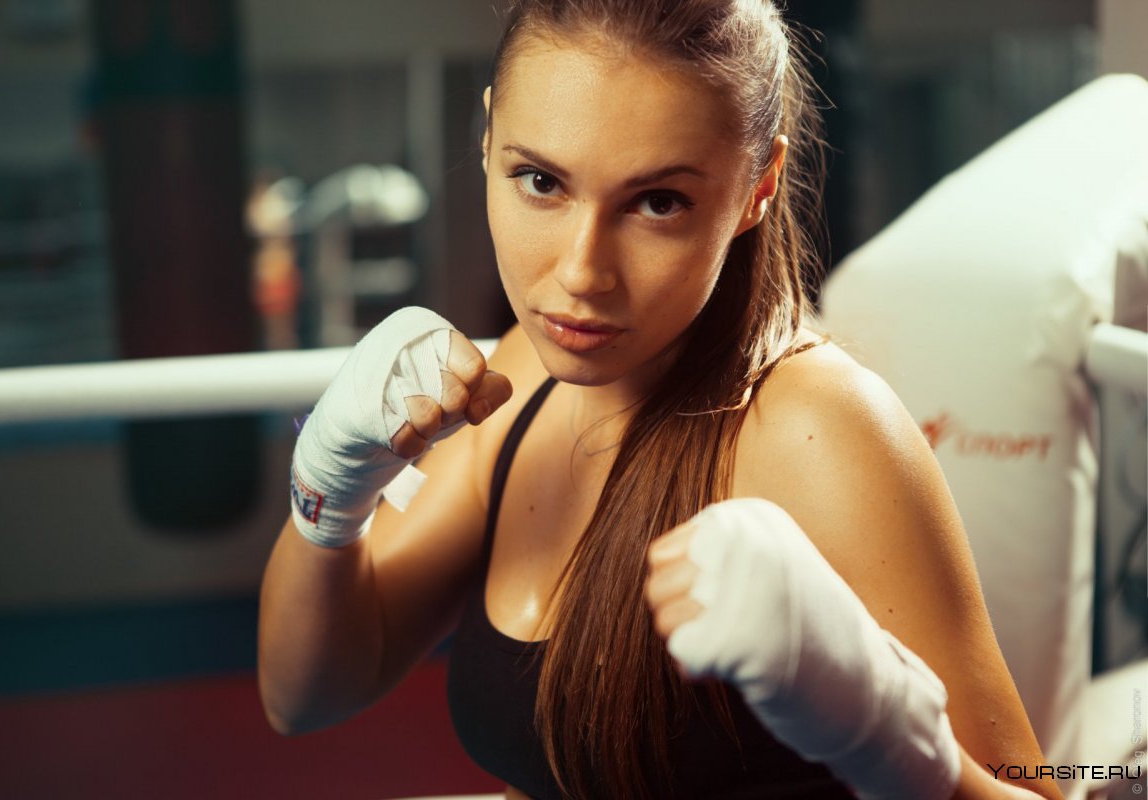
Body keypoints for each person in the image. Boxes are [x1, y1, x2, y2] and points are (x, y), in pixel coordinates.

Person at [258, 1, 1062, 798]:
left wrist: (890, 734)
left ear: (758, 187)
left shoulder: (822, 432)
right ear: (489, 134)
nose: (581, 274)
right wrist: (330, 484)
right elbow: (305, 695)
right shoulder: (521, 382)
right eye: (541, 181)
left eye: (657, 203)